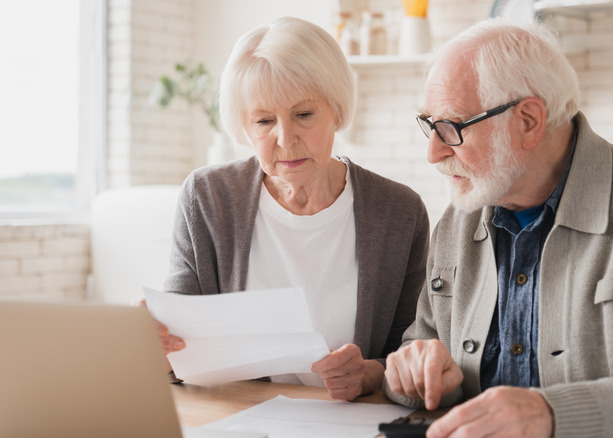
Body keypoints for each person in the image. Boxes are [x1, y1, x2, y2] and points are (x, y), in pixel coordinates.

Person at [383, 18, 613, 438]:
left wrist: (552, 414)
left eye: (452, 127)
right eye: (430, 125)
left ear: (529, 121)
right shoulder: (460, 217)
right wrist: (413, 374)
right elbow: (418, 349)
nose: (433, 152)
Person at [154, 16, 429, 402]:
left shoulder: (399, 212)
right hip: (237, 419)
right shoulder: (206, 198)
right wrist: (157, 345)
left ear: (336, 109)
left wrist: (369, 374)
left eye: (304, 115)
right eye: (264, 121)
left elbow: (413, 350)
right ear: (244, 128)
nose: (286, 139)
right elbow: (178, 349)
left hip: (349, 419)